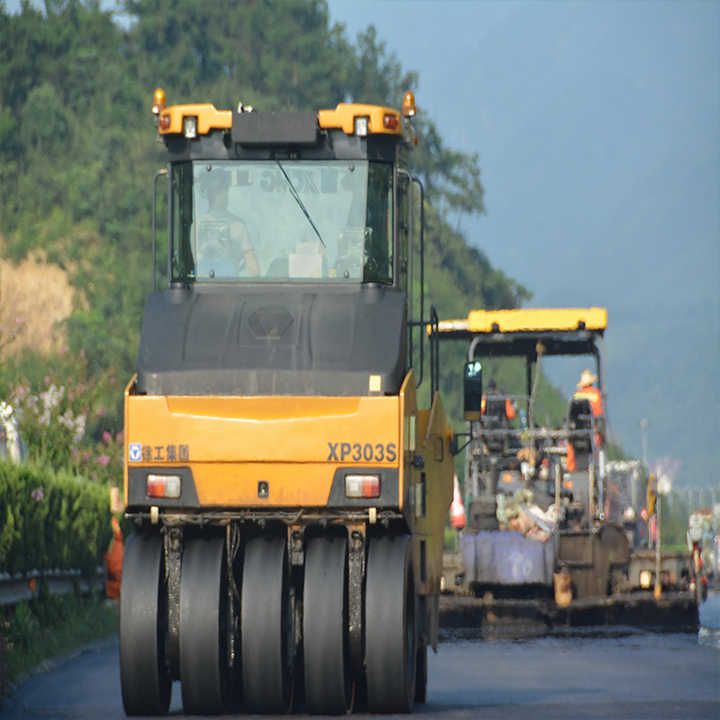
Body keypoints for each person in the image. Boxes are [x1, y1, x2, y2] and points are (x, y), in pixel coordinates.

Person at [197, 168, 258, 277]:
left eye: (224, 189)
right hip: (205, 288)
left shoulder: (238, 226)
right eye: (219, 189)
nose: (223, 193)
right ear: (211, 192)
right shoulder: (197, 225)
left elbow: (252, 266)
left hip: (226, 288)